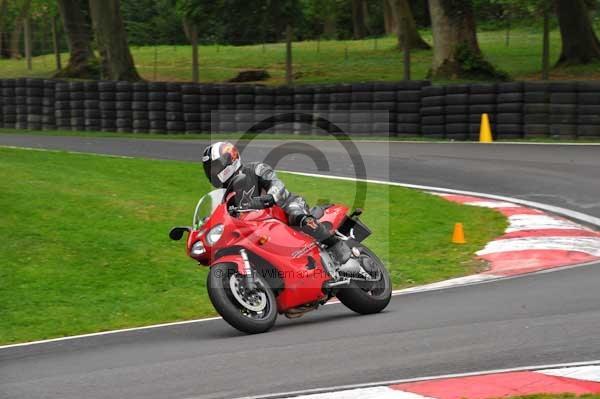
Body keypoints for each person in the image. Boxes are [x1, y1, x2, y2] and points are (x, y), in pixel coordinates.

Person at [202, 141, 350, 263]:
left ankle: (335, 245)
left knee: (299, 218)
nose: (213, 173)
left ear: (230, 160)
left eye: (215, 167)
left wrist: (271, 197)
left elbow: (277, 184)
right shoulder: (225, 195)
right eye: (210, 170)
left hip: (284, 207)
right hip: (260, 226)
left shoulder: (255, 169)